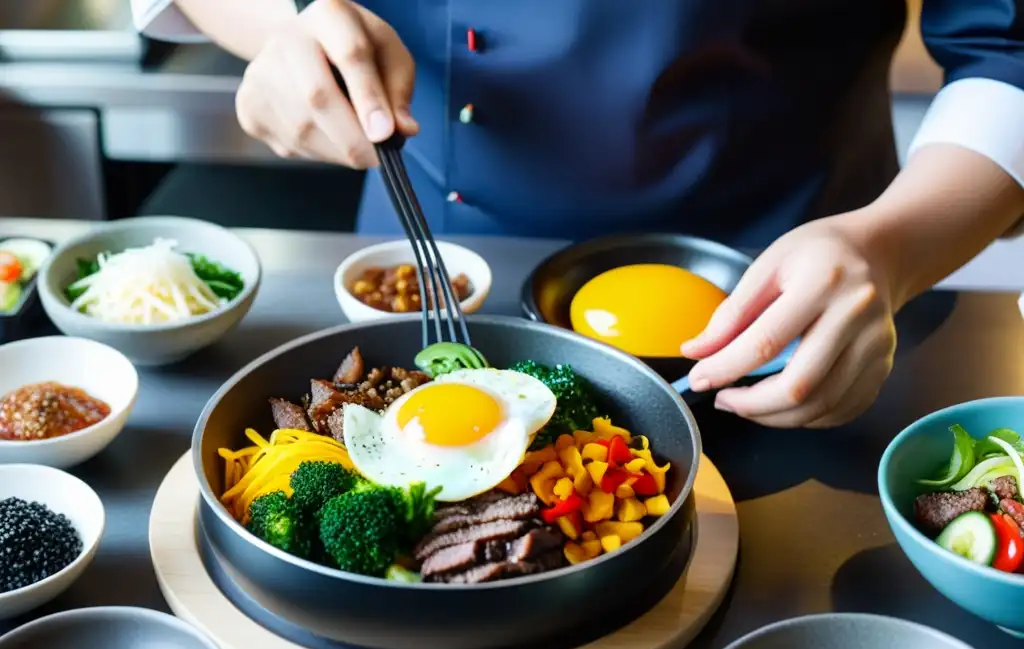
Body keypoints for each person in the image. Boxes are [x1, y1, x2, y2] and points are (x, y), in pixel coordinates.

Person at [133, 0, 1024, 429]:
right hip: (422, 260)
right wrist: (281, 30)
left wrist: (893, 246)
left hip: (798, 306)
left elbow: (1005, 44)